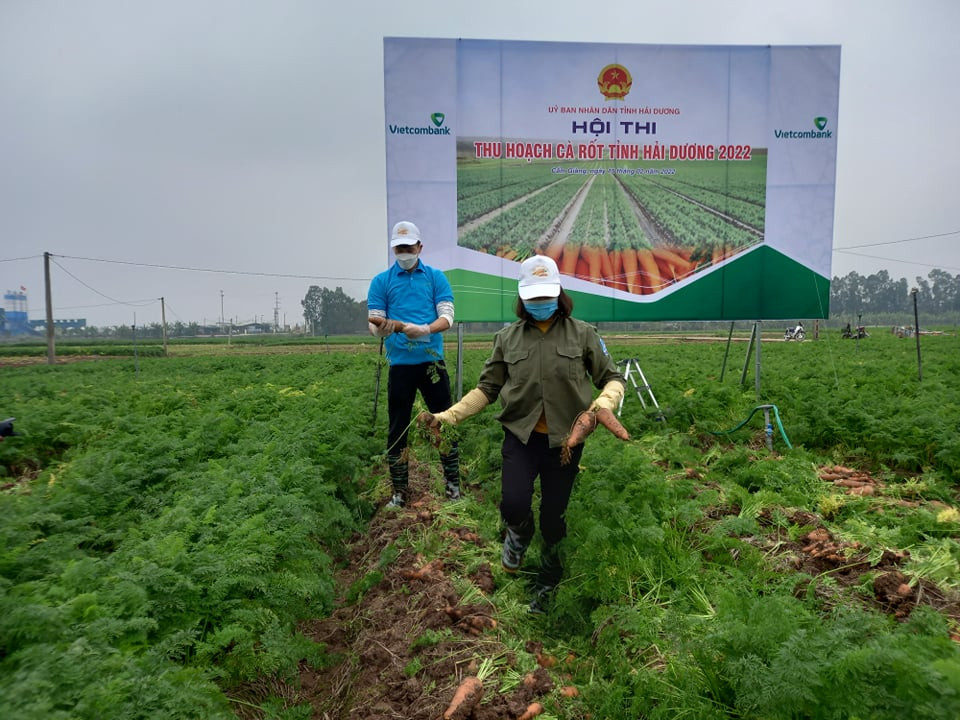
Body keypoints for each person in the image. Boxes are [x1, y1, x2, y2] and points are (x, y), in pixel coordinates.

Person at [419, 255, 626, 613]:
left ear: (558, 293)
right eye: (533, 298)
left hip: (566, 442)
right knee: (513, 504)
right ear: (522, 297)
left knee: (554, 517)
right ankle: (519, 534)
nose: (540, 304)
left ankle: (547, 581)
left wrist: (602, 405)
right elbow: (487, 388)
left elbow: (612, 378)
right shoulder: (507, 338)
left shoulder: (584, 334)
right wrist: (449, 416)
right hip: (521, 437)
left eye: (546, 296)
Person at [367, 221, 459, 508]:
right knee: (398, 428)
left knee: (445, 424)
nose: (404, 252)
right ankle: (399, 492)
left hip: (432, 363)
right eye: (399, 248)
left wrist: (426, 330)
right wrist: (386, 328)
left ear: (420, 247)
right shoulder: (381, 281)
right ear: (394, 249)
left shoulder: (435, 278)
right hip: (401, 365)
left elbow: (447, 317)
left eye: (409, 247)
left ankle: (453, 486)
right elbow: (375, 320)